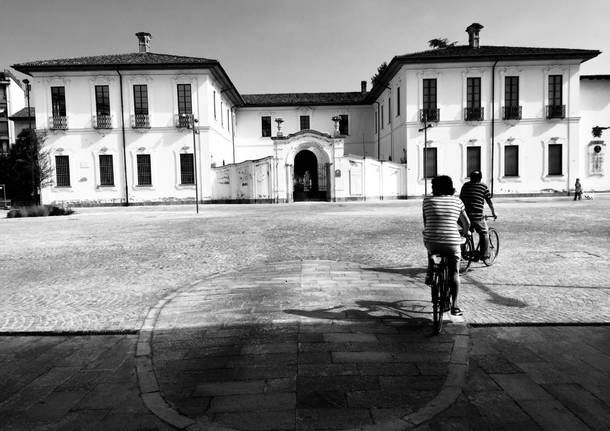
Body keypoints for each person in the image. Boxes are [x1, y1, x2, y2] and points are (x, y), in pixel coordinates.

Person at [423, 175, 470, 316]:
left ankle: (431, 270)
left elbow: (426, 223)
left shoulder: (427, 201)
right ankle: (455, 306)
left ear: (434, 188)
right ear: (450, 187)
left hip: (432, 241)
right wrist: (465, 234)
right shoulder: (457, 201)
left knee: (429, 241)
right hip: (452, 243)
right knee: (454, 273)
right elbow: (466, 223)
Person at [459, 171, 497, 259]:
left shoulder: (465, 185)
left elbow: (461, 199)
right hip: (476, 216)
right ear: (480, 178)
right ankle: (484, 255)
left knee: (467, 231)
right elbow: (489, 201)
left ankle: (463, 249)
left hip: (463, 216)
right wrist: (493, 213)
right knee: (484, 233)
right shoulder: (483, 186)